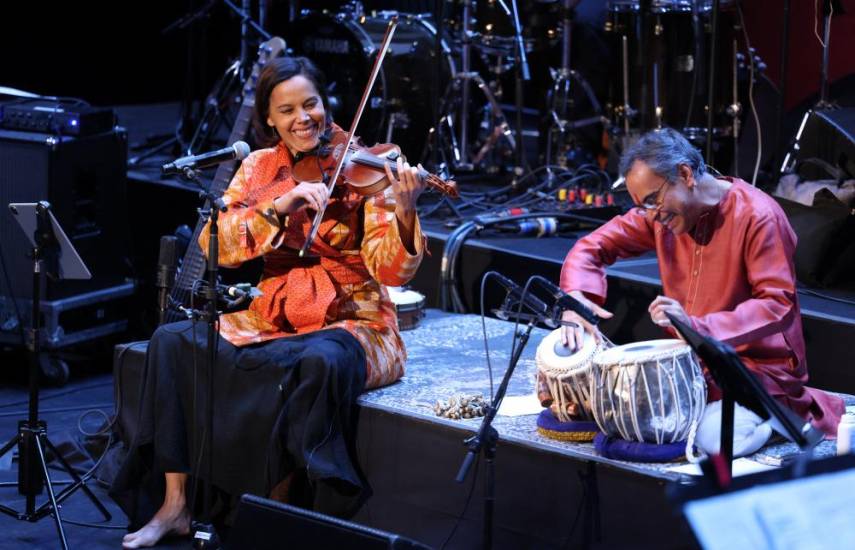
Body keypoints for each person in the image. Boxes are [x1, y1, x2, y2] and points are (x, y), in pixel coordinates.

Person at [113, 56, 427, 549]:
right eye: (287, 110)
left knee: (320, 361)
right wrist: (279, 207)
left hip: (355, 321)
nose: (304, 118)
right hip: (273, 314)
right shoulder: (260, 167)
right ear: (270, 119)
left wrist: (405, 210)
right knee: (171, 341)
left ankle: (279, 516)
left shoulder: (368, 166)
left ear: (326, 105)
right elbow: (216, 246)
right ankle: (175, 505)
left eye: (312, 104)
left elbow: (390, 270)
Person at [558, 128, 843, 438]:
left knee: (711, 438)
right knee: (590, 406)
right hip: (692, 369)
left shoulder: (758, 215)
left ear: (685, 174)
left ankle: (780, 424)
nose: (651, 216)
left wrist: (696, 326)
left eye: (653, 200)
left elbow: (777, 306)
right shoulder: (661, 216)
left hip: (755, 372)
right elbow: (592, 247)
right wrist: (576, 300)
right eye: (643, 207)